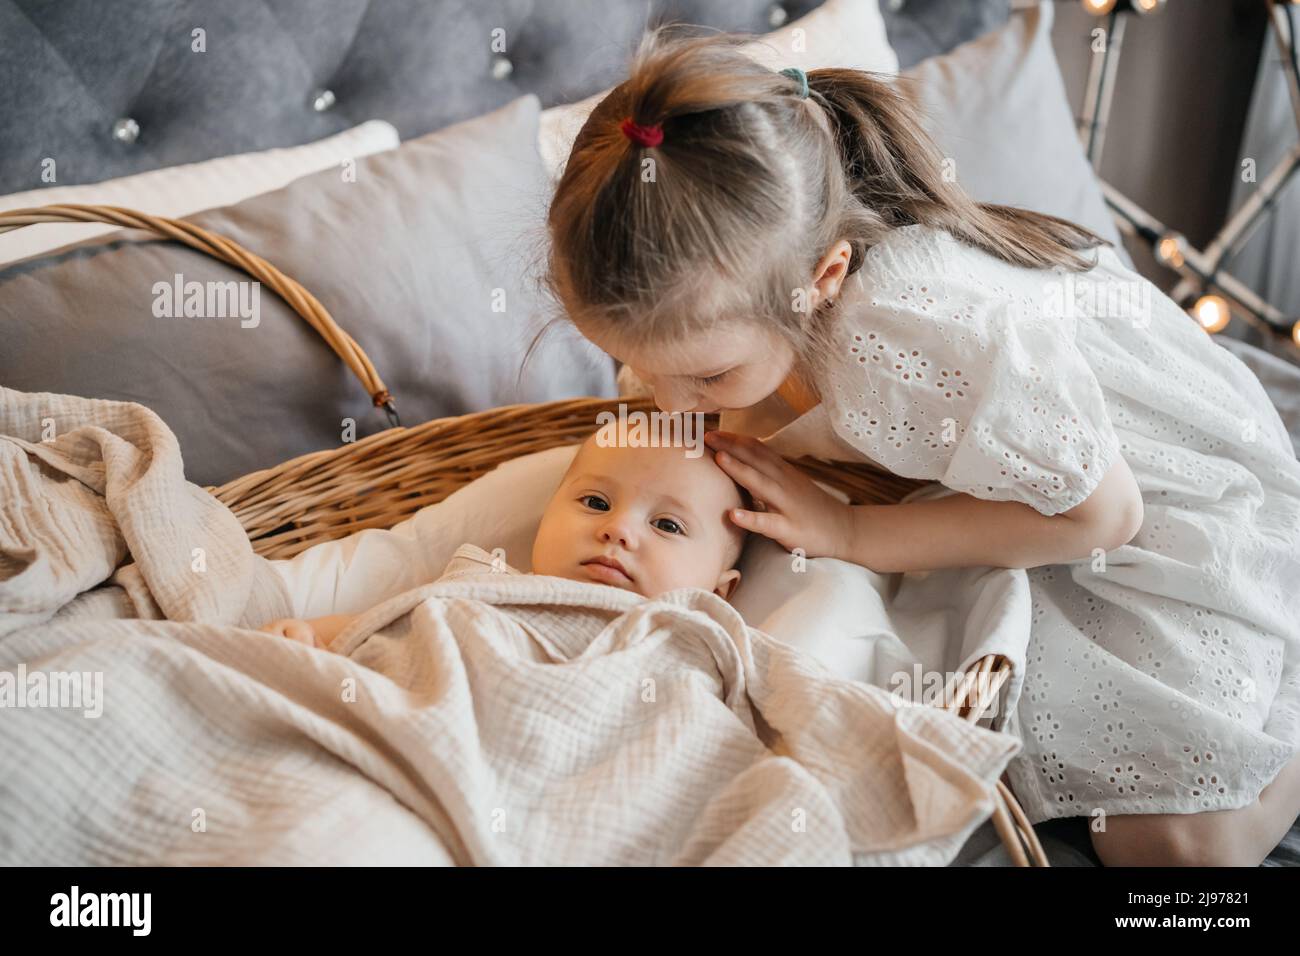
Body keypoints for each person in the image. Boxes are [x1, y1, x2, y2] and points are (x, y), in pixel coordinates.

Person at [542, 28, 1300, 866]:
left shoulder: (893, 332)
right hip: (1049, 480)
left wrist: (852, 534)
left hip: (1161, 495)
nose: (670, 403)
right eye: (644, 367)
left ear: (822, 279)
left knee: (1176, 851)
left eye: (708, 376)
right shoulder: (741, 308)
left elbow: (1106, 511)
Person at [261, 432, 749, 649]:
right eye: (596, 503)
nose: (618, 529)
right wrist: (314, 636)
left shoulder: (696, 642)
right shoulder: (486, 581)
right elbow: (393, 623)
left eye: (667, 526)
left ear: (719, 592)